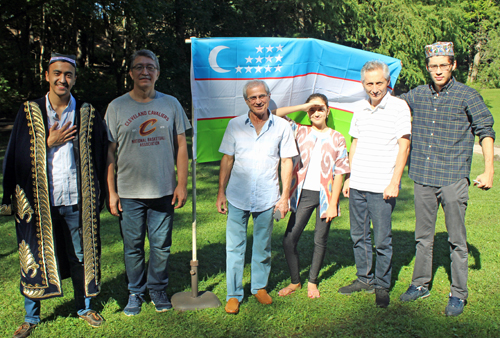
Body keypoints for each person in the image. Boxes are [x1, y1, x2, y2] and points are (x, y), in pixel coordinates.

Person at [1, 53, 108, 338]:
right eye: (57, 73)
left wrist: (106, 193)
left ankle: (85, 307)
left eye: (69, 74)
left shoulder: (87, 111)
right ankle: (30, 316)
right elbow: (14, 155)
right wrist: (47, 143)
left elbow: (103, 151)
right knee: (34, 255)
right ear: (47, 75)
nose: (63, 79)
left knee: (81, 255)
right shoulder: (29, 111)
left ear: (74, 78)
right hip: (39, 202)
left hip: (76, 198)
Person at [399, 42, 495, 316]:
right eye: (433, 66)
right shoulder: (417, 95)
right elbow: (389, 105)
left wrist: (489, 170)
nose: (438, 71)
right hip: (423, 176)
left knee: (456, 240)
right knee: (423, 237)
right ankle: (420, 284)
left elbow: (485, 131)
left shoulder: (468, 96)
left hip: (453, 177)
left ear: (453, 65)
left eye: (443, 65)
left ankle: (458, 294)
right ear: (427, 68)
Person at [105, 49, 190, 316]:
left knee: (161, 246)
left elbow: (181, 146)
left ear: (157, 73)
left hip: (163, 190)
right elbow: (109, 152)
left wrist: (182, 184)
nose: (145, 71)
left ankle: (157, 289)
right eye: (139, 67)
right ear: (131, 73)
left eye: (150, 67)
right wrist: (112, 192)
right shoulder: (117, 107)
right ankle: (135, 292)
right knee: (132, 247)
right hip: (129, 193)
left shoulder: (171, 104)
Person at [217, 80, 298, 314]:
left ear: (269, 96)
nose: (258, 101)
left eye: (262, 96)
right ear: (246, 101)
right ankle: (233, 294)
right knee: (234, 247)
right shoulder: (234, 125)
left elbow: (286, 161)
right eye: (253, 98)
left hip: (267, 197)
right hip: (237, 196)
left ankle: (259, 287)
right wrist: (221, 191)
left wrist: (284, 197)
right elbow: (227, 159)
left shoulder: (282, 127)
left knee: (263, 246)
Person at [339, 60, 411, 308]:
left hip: (382, 186)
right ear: (363, 84)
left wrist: (395, 182)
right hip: (359, 182)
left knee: (382, 239)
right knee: (358, 236)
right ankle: (364, 279)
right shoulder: (359, 109)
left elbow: (404, 146)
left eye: (379, 82)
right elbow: (354, 143)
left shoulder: (399, 107)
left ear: (387, 82)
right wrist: (350, 176)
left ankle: (382, 284)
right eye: (369, 83)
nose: (374, 88)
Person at [272, 94, 350, 299]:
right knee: (289, 240)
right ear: (308, 112)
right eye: (312, 110)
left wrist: (333, 203)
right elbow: (274, 113)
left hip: (326, 196)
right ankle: (295, 281)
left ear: (328, 111)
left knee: (320, 239)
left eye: (320, 109)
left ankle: (312, 282)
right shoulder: (299, 130)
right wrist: (305, 104)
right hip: (302, 194)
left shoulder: (337, 137)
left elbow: (340, 171)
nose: (316, 113)